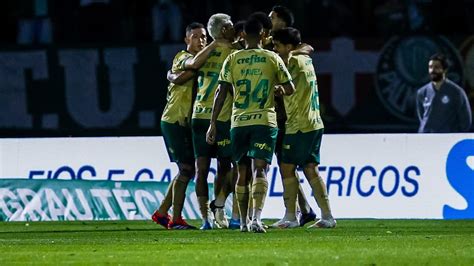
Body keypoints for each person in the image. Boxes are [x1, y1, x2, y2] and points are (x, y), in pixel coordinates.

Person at [206, 18, 295, 233]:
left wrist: (213, 124)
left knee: (241, 171)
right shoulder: (271, 58)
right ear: (263, 34)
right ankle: (256, 219)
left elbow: (220, 92)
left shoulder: (233, 59)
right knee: (260, 170)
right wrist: (278, 90)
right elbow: (290, 88)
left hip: (239, 122)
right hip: (264, 121)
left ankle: (244, 222)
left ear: (243, 35)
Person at [272, 27, 336, 228]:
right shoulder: (305, 60)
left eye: (277, 46)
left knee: (287, 167)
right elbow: (307, 49)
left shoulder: (292, 62)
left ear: (289, 47)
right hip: (314, 122)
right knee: (310, 168)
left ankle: (291, 216)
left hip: (299, 125)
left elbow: (281, 85)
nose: (274, 49)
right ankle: (327, 217)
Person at [151, 22, 208, 230]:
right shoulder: (182, 57)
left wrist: (171, 76)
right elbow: (189, 71)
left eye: (203, 37)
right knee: (186, 169)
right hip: (174, 119)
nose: (200, 40)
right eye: (195, 36)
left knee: (187, 170)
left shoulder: (203, 60)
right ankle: (175, 219)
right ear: (186, 40)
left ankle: (162, 212)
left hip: (186, 121)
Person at [267, 6, 318, 226]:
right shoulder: (271, 41)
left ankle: (300, 211)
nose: (269, 19)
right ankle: (304, 209)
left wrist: (291, 53)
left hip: (287, 114)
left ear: (281, 20)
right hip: (279, 110)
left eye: (272, 17)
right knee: (285, 163)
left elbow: (308, 47)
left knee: (287, 163)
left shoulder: (288, 42)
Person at [185, 13, 235, 230]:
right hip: (204, 116)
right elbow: (194, 64)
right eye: (230, 25)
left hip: (225, 116)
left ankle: (219, 209)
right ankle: (205, 218)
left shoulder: (235, 50)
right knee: (202, 168)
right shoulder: (206, 51)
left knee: (225, 167)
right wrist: (215, 42)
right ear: (223, 29)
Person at [416, 53, 472, 133]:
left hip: (447, 139)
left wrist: (454, 136)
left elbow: (466, 121)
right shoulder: (422, 92)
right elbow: (421, 116)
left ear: (445, 70)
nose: (432, 70)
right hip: (425, 137)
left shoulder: (456, 92)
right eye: (430, 67)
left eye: (436, 67)